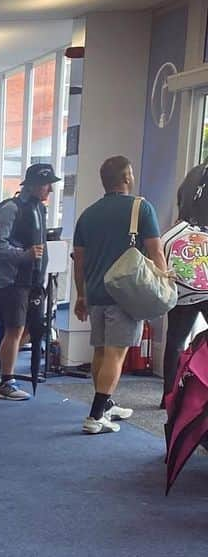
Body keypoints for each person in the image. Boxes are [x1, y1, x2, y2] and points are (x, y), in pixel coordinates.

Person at [72, 156, 166, 434]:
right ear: (126, 178)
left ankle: (107, 404)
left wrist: (81, 296)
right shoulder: (141, 207)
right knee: (116, 353)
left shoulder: (88, 214)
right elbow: (156, 251)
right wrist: (164, 284)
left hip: (97, 293)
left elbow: (79, 261)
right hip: (126, 295)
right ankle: (95, 415)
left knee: (101, 351)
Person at [0, 163, 57, 400]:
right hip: (13, 280)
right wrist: (24, 256)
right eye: (47, 185)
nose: (50, 190)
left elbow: (41, 246)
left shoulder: (40, 210)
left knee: (32, 328)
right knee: (15, 329)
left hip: (33, 280)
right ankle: (6, 382)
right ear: (36, 185)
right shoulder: (12, 208)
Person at [160, 160, 208, 403]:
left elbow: (181, 213)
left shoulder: (193, 175)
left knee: (176, 337)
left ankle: (169, 394)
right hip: (206, 264)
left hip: (185, 264)